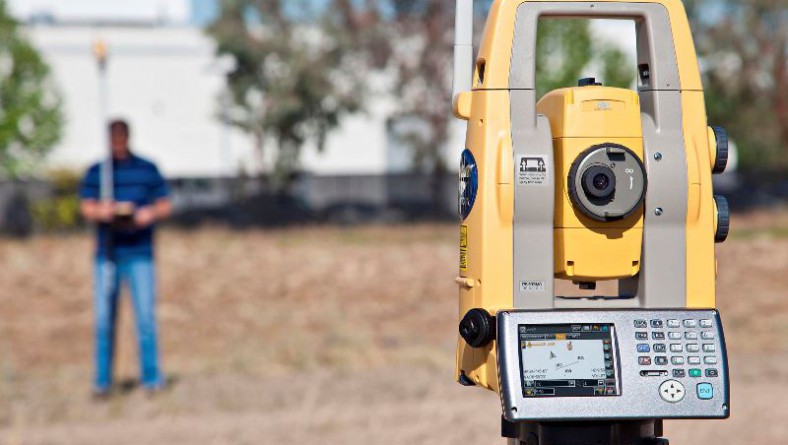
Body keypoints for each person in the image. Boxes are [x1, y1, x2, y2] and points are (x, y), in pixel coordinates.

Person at [79, 119, 172, 397]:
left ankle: (152, 380)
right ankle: (102, 383)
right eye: (113, 140)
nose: (117, 144)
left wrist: (147, 215)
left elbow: (164, 205)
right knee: (104, 319)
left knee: (145, 318)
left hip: (140, 253)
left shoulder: (147, 169)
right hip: (107, 254)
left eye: (121, 139)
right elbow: (86, 208)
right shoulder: (98, 172)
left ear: (128, 139)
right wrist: (103, 213)